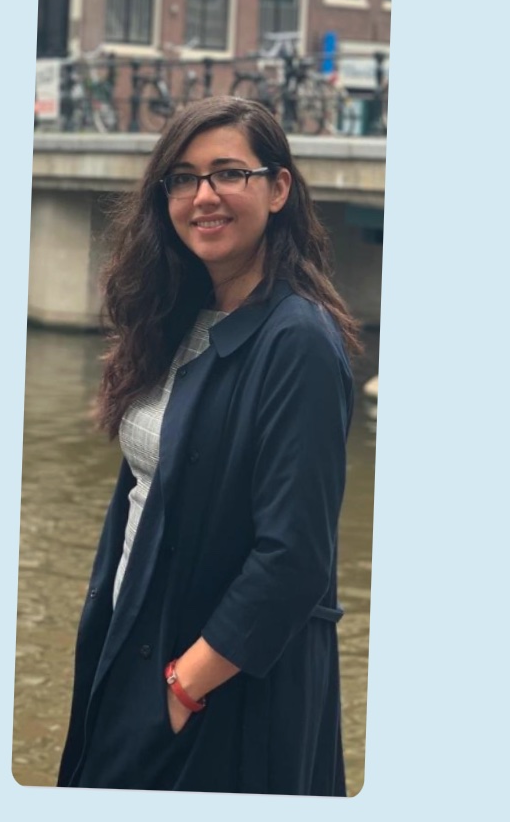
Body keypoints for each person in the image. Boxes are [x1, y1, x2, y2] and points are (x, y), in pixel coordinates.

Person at [57, 95, 360, 795]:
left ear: (278, 188)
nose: (204, 196)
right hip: (133, 645)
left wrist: (183, 686)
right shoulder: (179, 315)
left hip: (214, 687)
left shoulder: (297, 341)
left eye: (229, 173)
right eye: (184, 178)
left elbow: (294, 556)